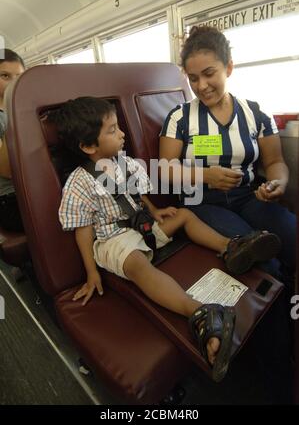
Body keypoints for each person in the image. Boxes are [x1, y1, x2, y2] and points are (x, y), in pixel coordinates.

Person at [54, 96, 280, 383]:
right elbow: (83, 229)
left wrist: (155, 211)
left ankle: (231, 247)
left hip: (142, 225)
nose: (121, 133)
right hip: (114, 239)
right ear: (88, 147)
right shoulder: (79, 182)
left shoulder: (123, 162)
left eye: (118, 126)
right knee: (137, 264)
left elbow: (137, 195)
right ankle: (198, 311)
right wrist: (90, 272)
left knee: (184, 215)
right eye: (112, 130)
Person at [159, 26, 296, 286]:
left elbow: (275, 162)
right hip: (203, 203)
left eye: (209, 74)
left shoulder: (256, 114)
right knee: (265, 261)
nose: (201, 86)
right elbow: (164, 168)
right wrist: (204, 175)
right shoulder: (180, 117)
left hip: (249, 197)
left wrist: (277, 184)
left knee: (292, 236)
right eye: (193, 78)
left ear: (229, 68)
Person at [0, 48, 25, 231]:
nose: (14, 83)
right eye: (5, 76)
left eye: (19, 77)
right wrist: (13, 116)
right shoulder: (8, 116)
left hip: (31, 187)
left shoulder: (29, 109)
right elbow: (7, 171)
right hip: (9, 198)